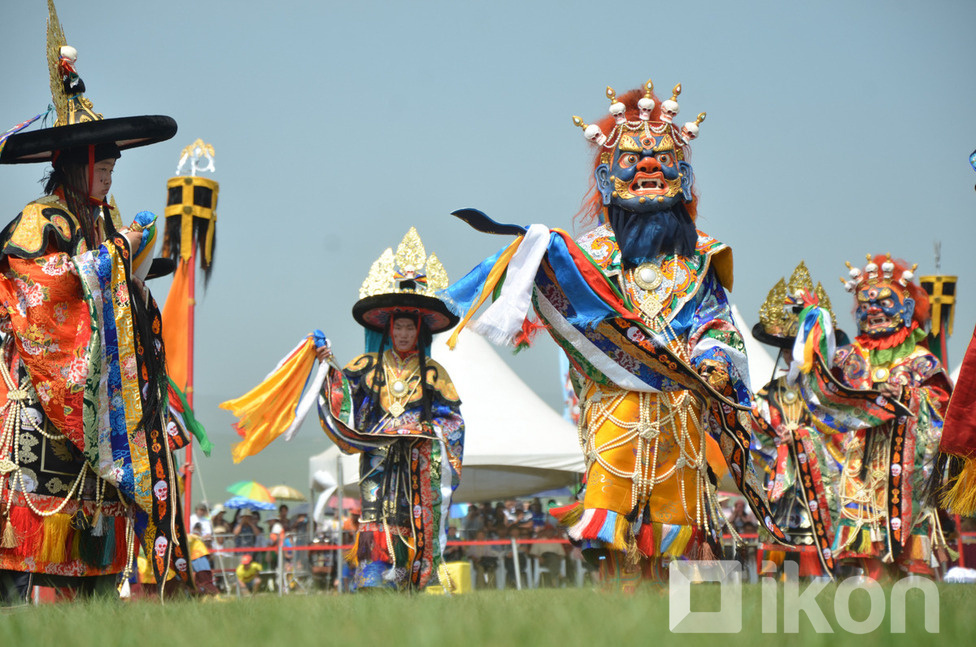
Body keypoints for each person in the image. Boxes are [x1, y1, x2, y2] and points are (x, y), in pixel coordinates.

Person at [443, 80, 786, 589]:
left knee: (679, 527)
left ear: (683, 175)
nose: (649, 168)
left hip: (680, 408)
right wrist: (533, 255)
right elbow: (574, 320)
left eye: (663, 160)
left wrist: (712, 357)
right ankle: (616, 611)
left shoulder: (701, 257)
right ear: (606, 178)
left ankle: (674, 613)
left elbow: (717, 321)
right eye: (632, 161)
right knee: (614, 527)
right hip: (614, 407)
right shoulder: (587, 256)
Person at [0, 2, 190, 603]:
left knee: (100, 545)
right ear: (73, 165)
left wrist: (132, 279)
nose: (108, 173)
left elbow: (125, 302)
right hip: (43, 401)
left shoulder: (100, 223)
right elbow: (41, 287)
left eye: (111, 164)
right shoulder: (41, 220)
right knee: (31, 538)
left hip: (103, 409)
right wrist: (112, 262)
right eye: (99, 164)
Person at [316, 228, 465, 591]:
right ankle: (370, 575)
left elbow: (454, 420)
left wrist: (429, 432)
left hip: (417, 459)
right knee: (373, 512)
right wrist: (326, 363)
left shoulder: (433, 373)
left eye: (408, 328)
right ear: (388, 330)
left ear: (419, 332)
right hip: (377, 457)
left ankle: (405, 577)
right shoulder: (366, 365)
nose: (402, 334)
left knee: (410, 517)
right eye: (397, 327)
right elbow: (342, 394)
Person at [792, 254, 952, 579]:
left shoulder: (921, 360)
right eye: (865, 304)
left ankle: (909, 592)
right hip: (859, 464)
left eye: (883, 302)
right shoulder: (851, 357)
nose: (873, 310)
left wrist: (907, 397)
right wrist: (814, 321)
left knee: (908, 540)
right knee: (863, 533)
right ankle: (871, 586)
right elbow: (824, 388)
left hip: (906, 467)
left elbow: (941, 408)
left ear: (906, 309)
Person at [749, 262, 844, 578]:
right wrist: (778, 439)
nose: (792, 354)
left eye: (798, 347)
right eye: (787, 348)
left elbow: (840, 434)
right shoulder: (768, 393)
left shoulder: (828, 393)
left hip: (819, 482)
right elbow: (756, 431)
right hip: (781, 481)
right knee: (779, 543)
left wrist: (804, 437)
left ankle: (817, 581)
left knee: (814, 545)